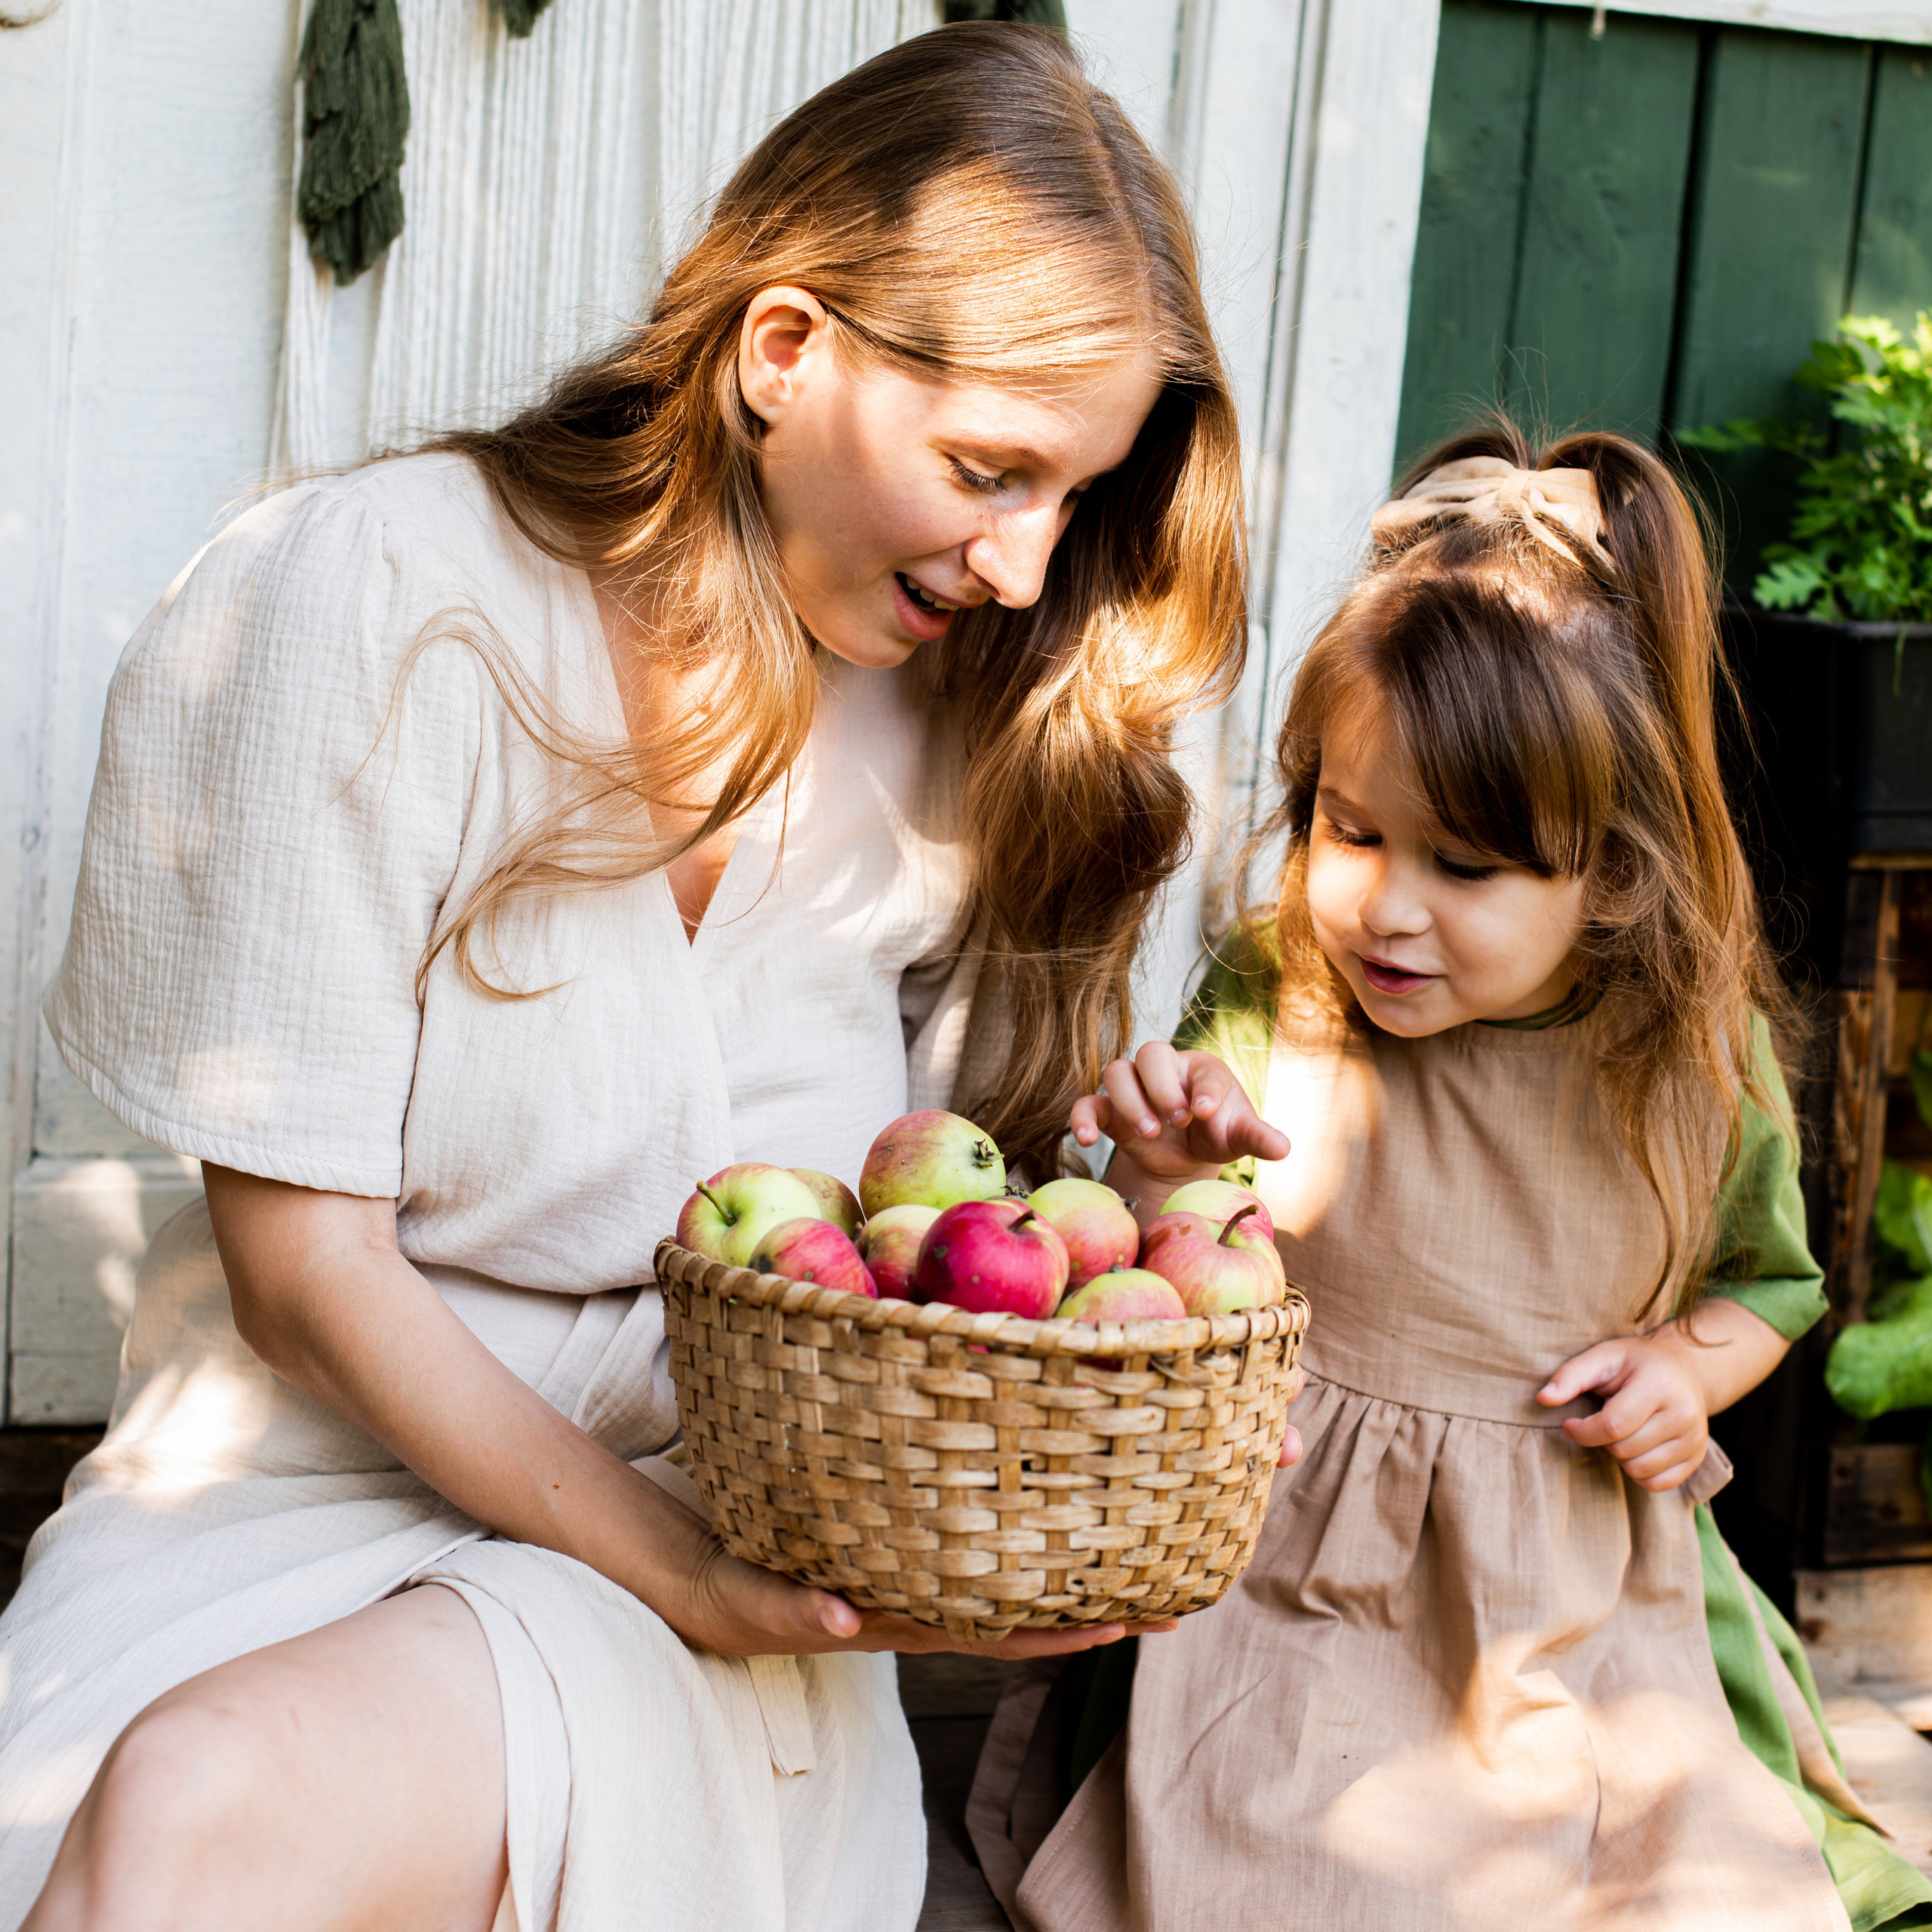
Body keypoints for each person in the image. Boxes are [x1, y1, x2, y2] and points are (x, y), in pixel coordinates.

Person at [0, 25, 1284, 1932]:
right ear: (783, 350)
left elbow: (956, 1257)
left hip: (718, 1567)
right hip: (300, 1497)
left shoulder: (963, 726)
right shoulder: (371, 602)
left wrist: (1148, 1223)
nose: (1025, 568)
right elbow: (302, 1276)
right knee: (166, 1797)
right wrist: (675, 1564)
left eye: (1070, 500)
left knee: (200, 1809)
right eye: (987, 470)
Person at [971, 427, 1932, 1930]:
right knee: (1282, 1875)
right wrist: (1159, 1168)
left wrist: (1684, 1370)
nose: (1387, 909)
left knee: (1666, 1873)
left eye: (1466, 867)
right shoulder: (1282, 990)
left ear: (1611, 870)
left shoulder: (1682, 1060)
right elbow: (1185, 1265)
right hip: (1292, 1576)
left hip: (1566, 1586)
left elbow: (1768, 1283)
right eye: (1350, 831)